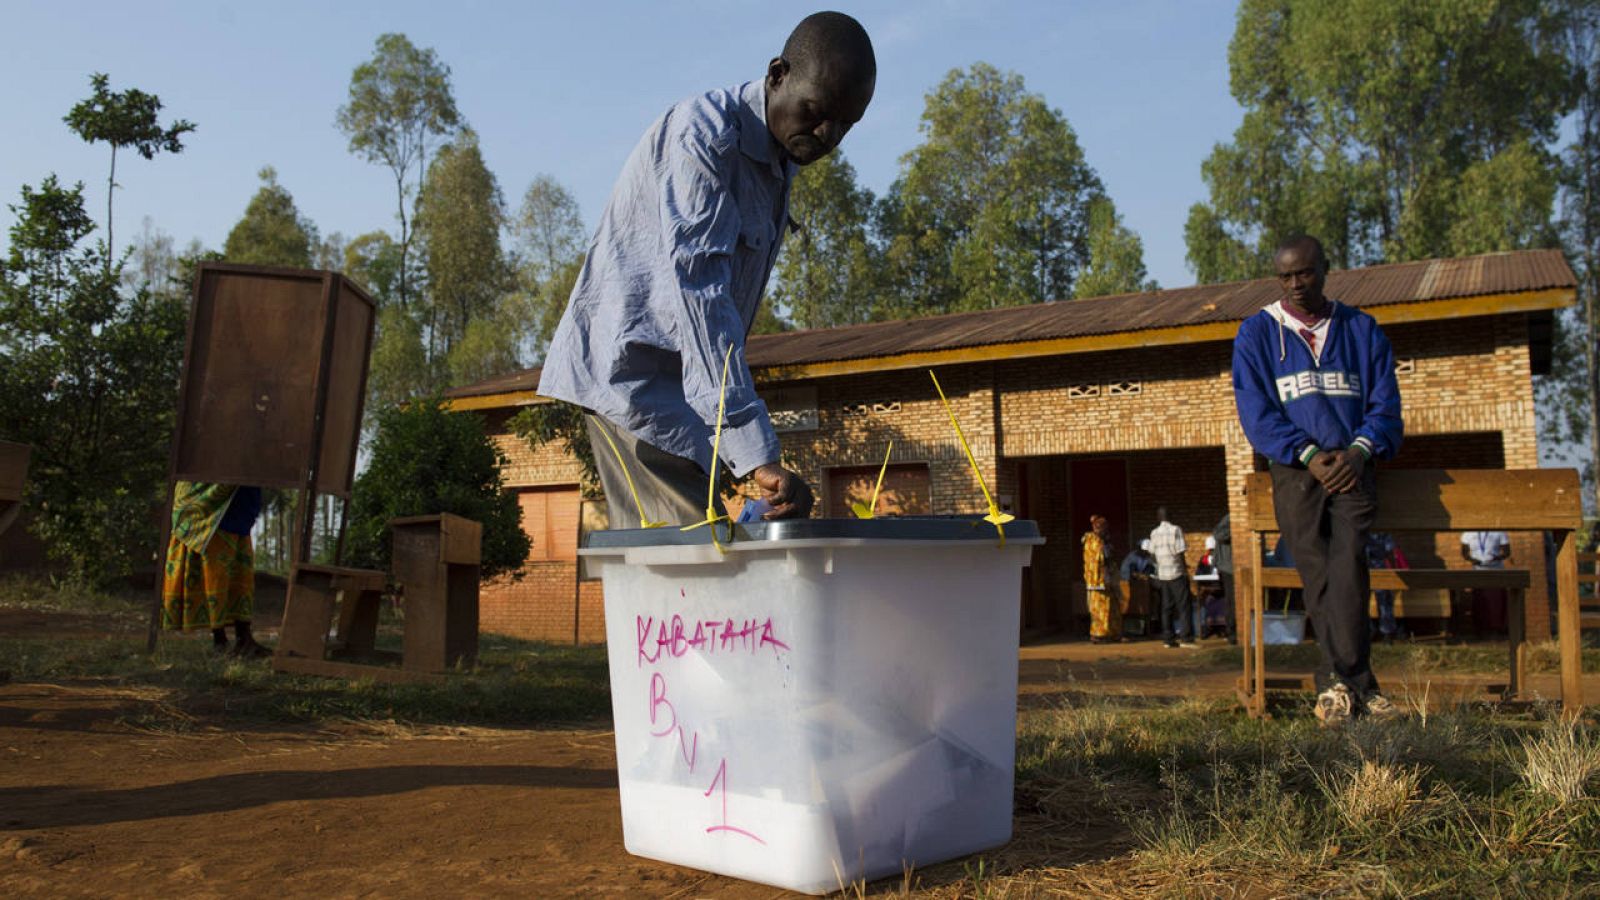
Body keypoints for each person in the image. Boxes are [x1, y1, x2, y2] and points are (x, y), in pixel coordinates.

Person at [538, 13, 876, 526]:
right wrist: (755, 449)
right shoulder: (707, 138)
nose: (828, 133)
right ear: (778, 73)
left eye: (846, 123)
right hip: (633, 387)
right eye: (816, 110)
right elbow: (701, 299)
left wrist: (756, 480)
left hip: (689, 402)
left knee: (726, 545)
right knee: (686, 570)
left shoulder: (777, 164)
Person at [1232, 234, 1404, 726]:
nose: (1295, 284)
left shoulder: (1362, 330)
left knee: (1349, 567)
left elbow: (1385, 406)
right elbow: (1256, 411)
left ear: (1325, 269)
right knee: (1319, 573)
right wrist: (1306, 453)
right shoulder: (1257, 334)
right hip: (1296, 471)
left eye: (1304, 273)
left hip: (1354, 466)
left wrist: (1359, 449)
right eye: (1285, 276)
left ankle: (1337, 685)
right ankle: (1359, 687)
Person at [162, 481, 268, 657]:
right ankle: (220, 639)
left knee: (240, 574)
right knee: (215, 575)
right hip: (209, 506)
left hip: (236, 502)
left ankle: (243, 638)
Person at [1149, 507, 1193, 648]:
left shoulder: (1154, 533)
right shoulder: (1176, 529)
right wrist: (1185, 569)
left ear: (1158, 517)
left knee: (1166, 607)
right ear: (1170, 516)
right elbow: (1180, 551)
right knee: (1183, 606)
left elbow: (1151, 553)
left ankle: (1168, 639)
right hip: (1176, 572)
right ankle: (1186, 638)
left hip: (1163, 575)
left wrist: (1160, 564)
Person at [1460, 530, 1511, 634]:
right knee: (1480, 599)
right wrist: (1472, 559)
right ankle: (1480, 628)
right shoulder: (1468, 533)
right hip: (1478, 570)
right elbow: (1464, 553)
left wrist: (1496, 558)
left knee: (1496, 600)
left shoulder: (1499, 532)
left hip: (1496, 570)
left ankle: (1498, 628)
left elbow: (1507, 552)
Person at [1082, 514, 1122, 643]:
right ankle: (1099, 634)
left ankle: (1110, 633)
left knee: (1110, 608)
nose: (1105, 531)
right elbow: (1103, 558)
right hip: (1098, 580)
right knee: (1099, 609)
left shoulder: (1099, 541)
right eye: (1103, 529)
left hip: (1102, 580)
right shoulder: (1094, 541)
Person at [1366, 531, 1406, 643]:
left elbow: (1390, 548)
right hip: (1367, 564)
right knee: (1368, 600)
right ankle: (1378, 631)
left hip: (1375, 564)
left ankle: (1384, 632)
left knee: (1383, 601)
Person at [1213, 513, 1237, 643]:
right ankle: (1232, 632)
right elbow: (1219, 534)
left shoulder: (1230, 519)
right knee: (1231, 600)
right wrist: (1235, 531)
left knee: (1232, 600)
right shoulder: (1231, 519)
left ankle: (1233, 631)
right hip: (1228, 567)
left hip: (1228, 566)